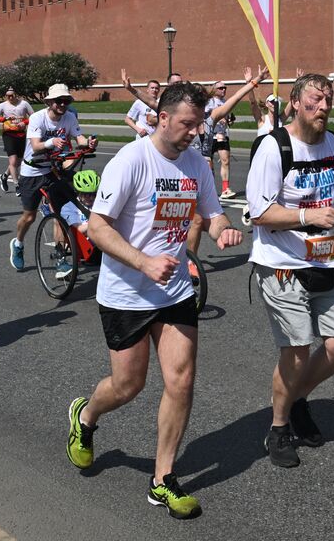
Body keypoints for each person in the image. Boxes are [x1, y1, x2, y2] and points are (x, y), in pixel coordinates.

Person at [66, 81, 242, 520]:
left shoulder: (197, 163)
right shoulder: (132, 159)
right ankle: (85, 416)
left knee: (180, 381)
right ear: (161, 118)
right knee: (129, 385)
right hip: (126, 292)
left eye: (199, 124)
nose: (194, 131)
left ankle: (163, 479)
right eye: (187, 123)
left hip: (176, 290)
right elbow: (98, 227)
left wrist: (223, 230)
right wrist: (143, 262)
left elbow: (212, 211)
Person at [247, 74, 334, 467]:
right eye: (316, 99)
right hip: (282, 265)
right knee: (296, 351)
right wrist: (307, 215)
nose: (325, 107)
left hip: (325, 260)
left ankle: (295, 396)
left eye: (329, 99)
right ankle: (279, 427)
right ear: (295, 102)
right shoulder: (273, 148)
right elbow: (260, 214)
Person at [12, 84, 97, 271]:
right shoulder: (37, 118)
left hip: (53, 170)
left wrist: (88, 143)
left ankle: (61, 256)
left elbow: (79, 138)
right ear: (49, 102)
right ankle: (18, 243)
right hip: (32, 172)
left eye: (66, 101)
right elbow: (35, 146)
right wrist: (52, 142)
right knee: (29, 216)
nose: (62, 104)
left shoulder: (69, 117)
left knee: (60, 212)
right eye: (59, 101)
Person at [0, 87, 33, 193]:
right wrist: (5, 119)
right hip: (8, 134)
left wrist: (25, 122)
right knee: (13, 161)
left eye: (12, 95)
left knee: (18, 162)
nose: (10, 97)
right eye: (8, 96)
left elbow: (34, 116)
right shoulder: (2, 106)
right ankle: (17, 185)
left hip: (21, 135)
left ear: (16, 95)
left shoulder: (24, 104)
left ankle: (4, 176)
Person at [122, 69, 161, 137]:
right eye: (152, 88)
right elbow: (127, 119)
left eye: (156, 88)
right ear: (147, 89)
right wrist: (138, 129)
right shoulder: (139, 102)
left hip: (156, 138)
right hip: (143, 138)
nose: (154, 90)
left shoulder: (161, 103)